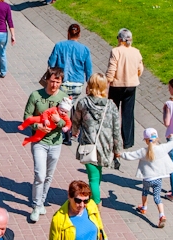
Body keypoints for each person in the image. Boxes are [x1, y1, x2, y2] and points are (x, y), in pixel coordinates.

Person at [69, 73, 122, 204]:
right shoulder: (111, 105)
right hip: (105, 146)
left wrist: (74, 132)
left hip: (88, 145)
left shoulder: (83, 103)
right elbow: (116, 129)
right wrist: (117, 149)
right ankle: (94, 199)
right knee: (98, 174)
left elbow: (76, 121)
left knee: (93, 178)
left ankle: (96, 204)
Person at [23, 67, 66, 223]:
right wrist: (37, 127)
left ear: (61, 82)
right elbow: (27, 116)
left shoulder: (64, 98)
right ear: (47, 79)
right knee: (39, 174)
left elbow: (67, 124)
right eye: (52, 81)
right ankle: (36, 205)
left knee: (49, 175)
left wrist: (57, 121)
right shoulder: (35, 95)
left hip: (56, 142)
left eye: (58, 82)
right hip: (39, 141)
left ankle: (41, 201)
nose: (54, 85)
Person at [47, 23, 93, 145]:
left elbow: (51, 62)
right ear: (79, 34)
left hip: (63, 82)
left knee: (62, 108)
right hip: (77, 84)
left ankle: (65, 134)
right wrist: (89, 84)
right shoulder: (84, 49)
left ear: (68, 33)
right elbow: (88, 69)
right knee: (71, 106)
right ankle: (73, 131)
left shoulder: (59, 45)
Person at [106, 28, 143, 151]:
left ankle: (111, 137)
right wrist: (134, 76)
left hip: (116, 86)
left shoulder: (116, 51)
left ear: (120, 39)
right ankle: (128, 141)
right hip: (131, 86)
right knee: (128, 114)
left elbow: (112, 68)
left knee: (113, 112)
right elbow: (140, 69)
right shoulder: (136, 52)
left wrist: (108, 81)